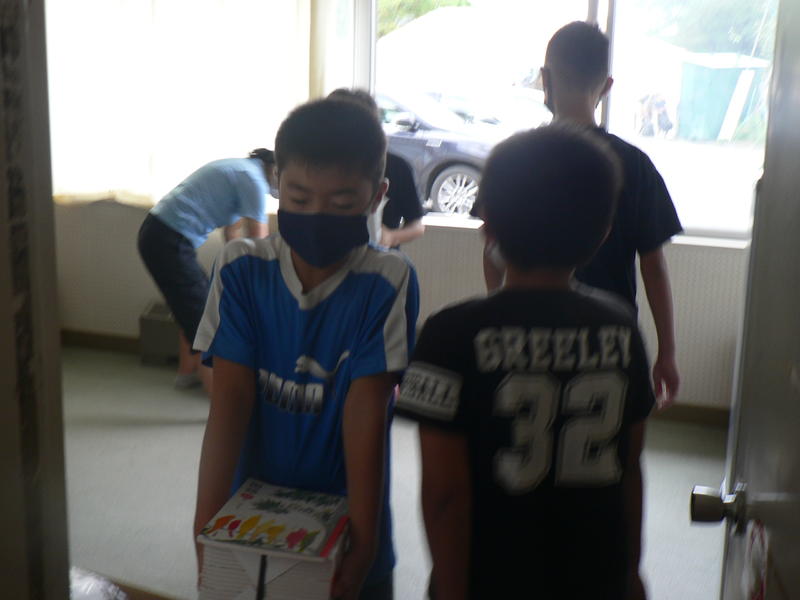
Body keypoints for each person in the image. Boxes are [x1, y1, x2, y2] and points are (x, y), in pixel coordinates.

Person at [397, 124, 654, 600]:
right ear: (602, 233)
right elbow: (630, 469)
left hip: (490, 576)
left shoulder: (447, 335)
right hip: (595, 575)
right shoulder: (622, 328)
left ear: (488, 227)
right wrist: (631, 573)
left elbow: (445, 494)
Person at [192, 98, 420, 600]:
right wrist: (204, 528)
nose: (317, 216)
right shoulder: (240, 269)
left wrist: (363, 544)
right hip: (249, 523)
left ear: (377, 195)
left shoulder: (387, 280)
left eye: (341, 203)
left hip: (350, 525)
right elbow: (229, 405)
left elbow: (366, 413)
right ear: (277, 183)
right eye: (298, 197)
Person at [479, 21, 683, 408]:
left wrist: (498, 309)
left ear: (545, 78)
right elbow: (653, 266)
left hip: (526, 334)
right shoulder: (634, 165)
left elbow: (492, 252)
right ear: (607, 86)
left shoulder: (515, 158)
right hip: (608, 340)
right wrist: (667, 352)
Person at [137, 149, 277, 391]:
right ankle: (219, 398)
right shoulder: (253, 180)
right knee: (204, 319)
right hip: (168, 240)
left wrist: (236, 274)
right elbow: (258, 240)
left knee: (192, 307)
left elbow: (232, 233)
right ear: (276, 170)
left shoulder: (242, 170)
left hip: (162, 235)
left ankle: (187, 374)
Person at [327, 88, 425, 248]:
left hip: (380, 257)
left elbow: (417, 226)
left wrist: (391, 237)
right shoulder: (317, 167)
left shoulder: (396, 167)